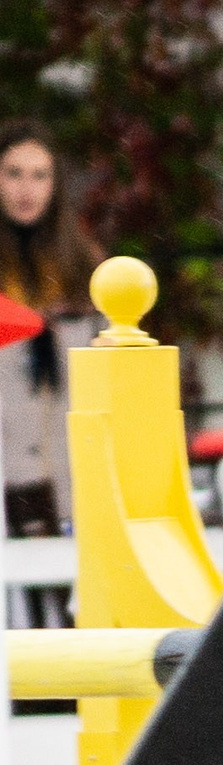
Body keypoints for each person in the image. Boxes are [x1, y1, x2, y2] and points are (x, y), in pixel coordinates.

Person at [0, 122, 97, 542]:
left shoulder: (82, 266)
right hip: (7, 467)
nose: (27, 189)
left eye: (39, 175)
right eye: (14, 173)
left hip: (71, 470)